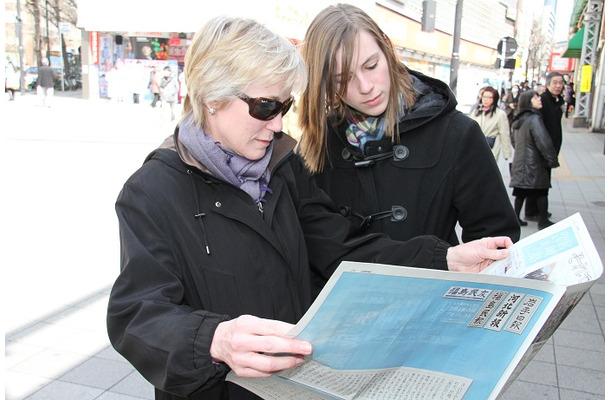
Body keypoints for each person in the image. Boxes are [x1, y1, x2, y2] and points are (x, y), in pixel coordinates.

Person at [106, 16, 512, 400]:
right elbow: (137, 314)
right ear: (212, 96)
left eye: (284, 107)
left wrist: (445, 258)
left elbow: (341, 246)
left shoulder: (283, 168)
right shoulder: (152, 192)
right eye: (265, 107)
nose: (279, 124)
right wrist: (214, 339)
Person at [297, 4, 520, 246]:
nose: (365, 86)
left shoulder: (456, 134)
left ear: (387, 48)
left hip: (435, 283)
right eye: (342, 79)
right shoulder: (316, 144)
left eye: (371, 66)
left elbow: (496, 237)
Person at [509, 90, 559, 229]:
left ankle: (515, 218)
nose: (539, 99)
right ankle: (543, 220)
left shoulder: (519, 118)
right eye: (535, 97)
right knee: (541, 190)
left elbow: (513, 141)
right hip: (534, 162)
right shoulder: (534, 119)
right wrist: (552, 160)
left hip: (520, 160)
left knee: (520, 191)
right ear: (528, 101)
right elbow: (543, 141)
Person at [524, 72, 565, 221]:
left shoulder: (556, 101)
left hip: (549, 149)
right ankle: (534, 212)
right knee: (541, 184)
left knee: (540, 182)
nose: (558, 85)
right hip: (542, 150)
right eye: (555, 82)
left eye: (561, 83)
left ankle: (536, 210)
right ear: (548, 85)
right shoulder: (544, 101)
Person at [469, 86, 512, 162]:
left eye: (489, 97)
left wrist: (506, 153)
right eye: (484, 96)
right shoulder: (476, 112)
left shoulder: (500, 114)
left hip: (491, 147)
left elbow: (504, 133)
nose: (485, 99)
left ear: (494, 99)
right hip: (475, 147)